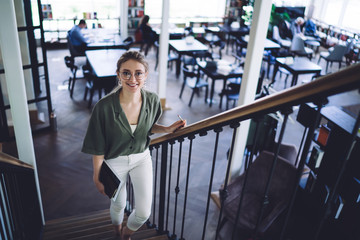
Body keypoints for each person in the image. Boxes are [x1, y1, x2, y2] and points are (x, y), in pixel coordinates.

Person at [81, 50, 186, 240]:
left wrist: (168, 129)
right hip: (113, 161)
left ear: (146, 75)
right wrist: (97, 176)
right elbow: (97, 144)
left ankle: (125, 235)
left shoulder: (153, 100)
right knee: (119, 204)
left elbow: (146, 127)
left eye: (138, 73)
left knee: (144, 213)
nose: (132, 78)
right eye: (126, 72)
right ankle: (116, 230)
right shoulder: (103, 107)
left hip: (141, 158)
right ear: (119, 75)